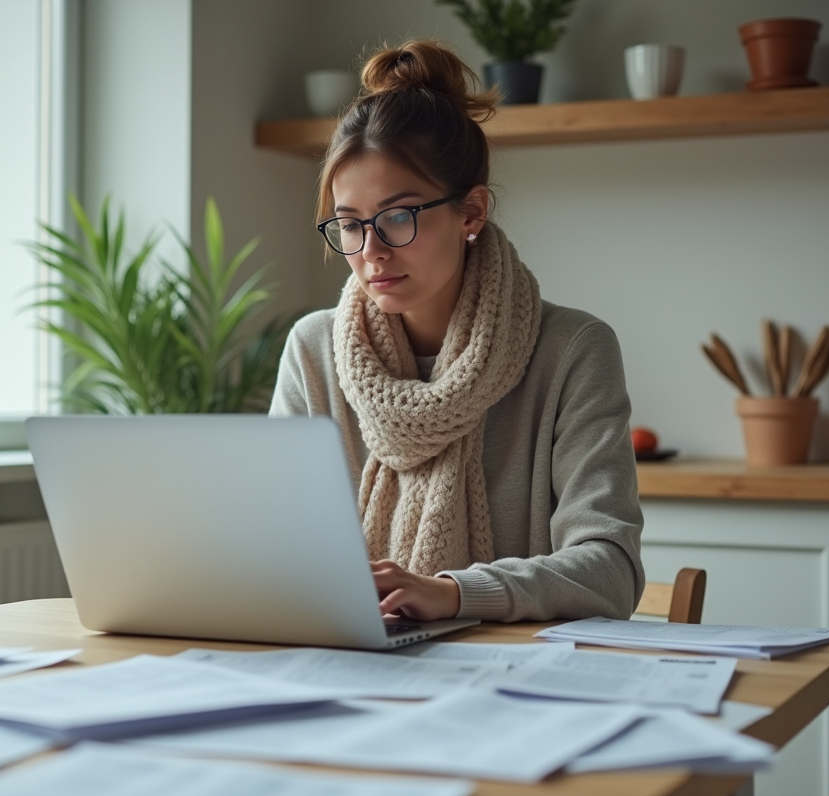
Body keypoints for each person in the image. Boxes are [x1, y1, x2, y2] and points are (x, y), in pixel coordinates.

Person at [269, 40, 643, 624]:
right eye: (349, 225)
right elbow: (276, 549)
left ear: (470, 213)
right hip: (348, 663)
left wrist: (454, 592)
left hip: (516, 685)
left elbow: (611, 569)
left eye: (398, 217)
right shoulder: (314, 351)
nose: (370, 252)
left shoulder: (572, 350)